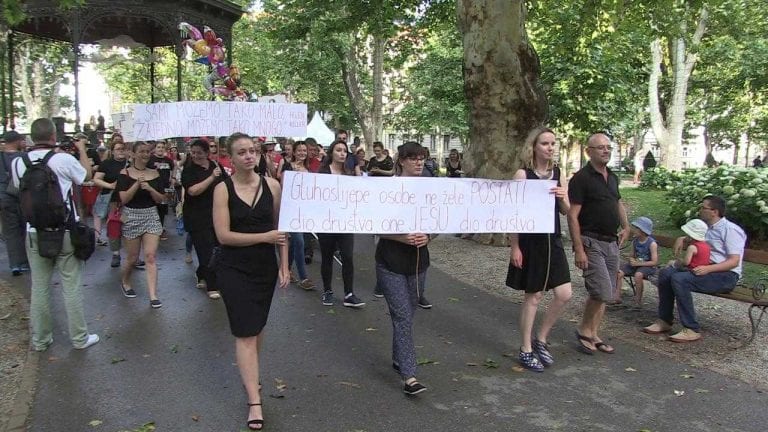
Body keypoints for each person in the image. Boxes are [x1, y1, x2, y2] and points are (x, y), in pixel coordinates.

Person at [212, 133, 288, 431]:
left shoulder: (273, 186)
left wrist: (284, 264)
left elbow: (283, 228)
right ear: (230, 158)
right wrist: (265, 238)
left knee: (256, 329)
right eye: (242, 152)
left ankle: (251, 375)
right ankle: (254, 400)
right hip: (233, 268)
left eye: (253, 151)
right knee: (244, 332)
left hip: (264, 268)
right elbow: (224, 236)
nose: (249, 156)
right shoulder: (222, 189)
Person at [11, 118, 99, 351]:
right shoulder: (63, 159)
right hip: (65, 231)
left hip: (34, 232)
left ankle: (40, 340)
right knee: (71, 286)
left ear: (31, 137)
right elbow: (86, 176)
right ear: (53, 136)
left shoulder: (19, 162)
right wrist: (81, 149)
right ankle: (79, 338)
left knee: (39, 287)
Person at [506, 127, 572, 372]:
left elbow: (565, 210)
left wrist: (563, 196)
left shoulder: (557, 173)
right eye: (545, 143)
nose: (550, 147)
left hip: (552, 240)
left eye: (553, 143)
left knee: (564, 293)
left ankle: (541, 338)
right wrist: (515, 246)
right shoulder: (523, 175)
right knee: (533, 296)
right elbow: (512, 213)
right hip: (531, 242)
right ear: (533, 146)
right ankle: (525, 348)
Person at [643, 196, 745, 342]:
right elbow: (699, 240)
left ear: (714, 212)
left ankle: (691, 329)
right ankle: (664, 320)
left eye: (703, 207)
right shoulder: (706, 227)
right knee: (666, 273)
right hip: (703, 269)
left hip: (725, 275)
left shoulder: (731, 230)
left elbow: (734, 261)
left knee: (680, 279)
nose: (700, 210)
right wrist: (682, 238)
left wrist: (708, 269)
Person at [376, 141, 431, 395]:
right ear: (401, 161)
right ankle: (410, 376)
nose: (418, 162)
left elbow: (441, 218)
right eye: (413, 158)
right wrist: (401, 237)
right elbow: (373, 226)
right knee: (402, 317)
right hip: (390, 262)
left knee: (408, 313)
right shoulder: (387, 188)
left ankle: (399, 356)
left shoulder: (431, 188)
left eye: (421, 158)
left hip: (419, 263)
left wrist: (428, 237)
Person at [567, 132, 629, 355]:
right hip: (590, 241)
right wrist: (579, 249)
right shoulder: (581, 179)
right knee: (601, 291)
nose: (606, 150)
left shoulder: (612, 177)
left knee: (608, 292)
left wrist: (626, 226)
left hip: (611, 241)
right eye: (600, 147)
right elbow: (572, 216)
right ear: (589, 151)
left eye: (608, 147)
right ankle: (584, 329)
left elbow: (618, 202)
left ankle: (594, 332)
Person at [117, 142, 166, 308]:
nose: (145, 154)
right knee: (132, 258)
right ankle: (125, 280)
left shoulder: (155, 173)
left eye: (147, 152)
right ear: (134, 154)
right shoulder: (125, 173)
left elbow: (161, 199)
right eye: (142, 152)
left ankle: (153, 295)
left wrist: (150, 189)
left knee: (150, 256)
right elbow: (123, 199)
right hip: (131, 216)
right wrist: (137, 184)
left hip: (151, 214)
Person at [317, 140, 365, 308]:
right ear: (332, 153)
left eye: (344, 150)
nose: (342, 153)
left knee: (348, 256)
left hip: (345, 222)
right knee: (327, 257)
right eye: (338, 150)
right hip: (326, 222)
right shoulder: (322, 172)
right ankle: (328, 291)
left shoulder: (349, 174)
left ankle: (349, 293)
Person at [182, 138, 228, 299]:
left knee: (218, 247)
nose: (195, 156)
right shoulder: (188, 170)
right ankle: (212, 285)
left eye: (199, 153)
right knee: (205, 249)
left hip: (216, 213)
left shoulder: (216, 165)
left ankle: (201, 272)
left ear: (207, 153)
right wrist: (211, 178)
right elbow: (193, 191)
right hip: (197, 216)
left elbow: (226, 185)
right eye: (193, 153)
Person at [279, 141, 315, 290]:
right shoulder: (288, 167)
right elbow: (283, 186)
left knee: (294, 242)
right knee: (299, 241)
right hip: (291, 210)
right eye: (299, 150)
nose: (302, 153)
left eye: (304, 151)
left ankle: (286, 269)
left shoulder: (308, 169)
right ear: (293, 152)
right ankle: (303, 277)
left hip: (303, 210)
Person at [92, 139, 128, 266]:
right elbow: (96, 179)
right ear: (112, 151)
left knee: (130, 228)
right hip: (113, 200)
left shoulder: (131, 163)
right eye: (118, 149)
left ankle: (132, 255)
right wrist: (110, 185)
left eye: (123, 148)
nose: (121, 151)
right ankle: (116, 254)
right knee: (114, 227)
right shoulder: (107, 164)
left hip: (129, 200)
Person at [0, 131, 29, 275]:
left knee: (10, 232)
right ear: (17, 141)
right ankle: (27, 261)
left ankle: (15, 264)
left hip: (4, 198)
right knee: (25, 229)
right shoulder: (23, 157)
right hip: (22, 197)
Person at [614, 217, 658, 306]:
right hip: (635, 264)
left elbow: (654, 262)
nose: (634, 230)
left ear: (642, 231)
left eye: (636, 228)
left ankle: (638, 300)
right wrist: (631, 259)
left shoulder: (652, 244)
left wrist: (638, 263)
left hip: (647, 266)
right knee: (618, 272)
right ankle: (616, 296)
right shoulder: (635, 241)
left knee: (638, 275)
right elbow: (632, 255)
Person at [147, 141, 176, 241]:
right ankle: (150, 230)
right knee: (152, 208)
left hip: (165, 188)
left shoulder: (168, 160)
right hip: (153, 188)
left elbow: (174, 167)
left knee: (162, 210)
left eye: (162, 147)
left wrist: (173, 178)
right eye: (158, 147)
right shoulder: (150, 159)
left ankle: (160, 230)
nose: (160, 149)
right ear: (155, 148)